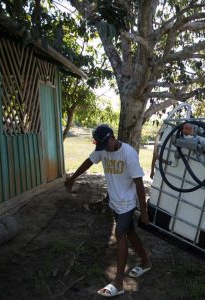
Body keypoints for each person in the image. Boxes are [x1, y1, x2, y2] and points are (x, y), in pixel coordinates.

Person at [65, 124, 152, 297]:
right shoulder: (103, 148)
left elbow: (139, 184)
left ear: (113, 137)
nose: (104, 149)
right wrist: (72, 178)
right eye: (101, 147)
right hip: (114, 201)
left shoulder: (129, 153)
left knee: (120, 234)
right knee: (130, 233)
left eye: (106, 145)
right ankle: (146, 261)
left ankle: (118, 282)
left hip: (127, 202)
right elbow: (89, 162)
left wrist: (144, 211)